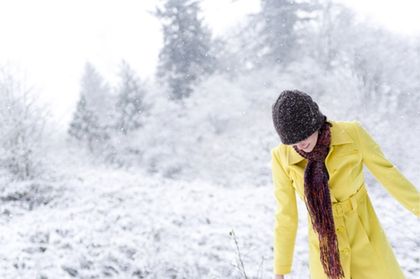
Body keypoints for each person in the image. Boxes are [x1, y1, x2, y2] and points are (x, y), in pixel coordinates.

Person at [270, 90, 419, 279]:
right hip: (326, 251)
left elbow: (389, 175)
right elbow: (285, 215)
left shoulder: (352, 134)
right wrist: (280, 269)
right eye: (293, 142)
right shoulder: (281, 157)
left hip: (366, 239)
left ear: (315, 124)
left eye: (303, 137)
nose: (300, 146)